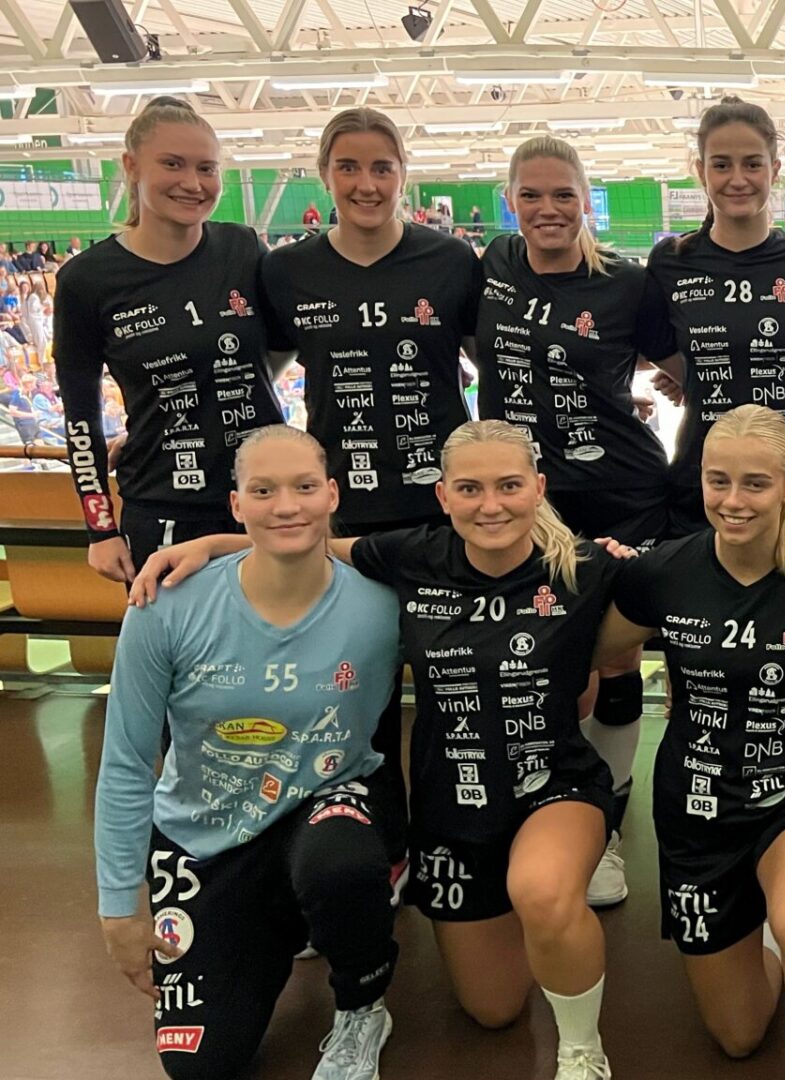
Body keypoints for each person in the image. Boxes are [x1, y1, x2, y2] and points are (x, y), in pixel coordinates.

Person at [134, 420, 626, 1080]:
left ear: (539, 488)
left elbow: (675, 602)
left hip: (552, 784)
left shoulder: (588, 568)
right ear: (443, 495)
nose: (491, 505)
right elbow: (307, 540)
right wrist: (209, 545)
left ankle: (581, 1047)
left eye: (509, 486)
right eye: (470, 489)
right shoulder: (410, 556)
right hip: (455, 805)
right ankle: (523, 912)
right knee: (494, 1009)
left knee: (539, 889)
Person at [101, 426, 405, 1080]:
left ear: (332, 495)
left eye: (304, 487)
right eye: (263, 491)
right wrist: (119, 905)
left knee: (339, 866)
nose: (286, 505)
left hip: (325, 806)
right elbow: (126, 762)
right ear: (236, 504)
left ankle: (361, 1003)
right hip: (205, 834)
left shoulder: (383, 603)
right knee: (200, 1066)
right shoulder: (165, 604)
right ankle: (277, 921)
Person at [593, 405, 785, 1079]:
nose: (733, 501)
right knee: (738, 1035)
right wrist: (589, 571)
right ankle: (768, 929)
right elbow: (588, 652)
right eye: (719, 481)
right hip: (696, 805)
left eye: (755, 483)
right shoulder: (662, 572)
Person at [473, 135, 677, 903]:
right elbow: (476, 349)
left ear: (587, 200)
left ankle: (607, 827)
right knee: (539, 659)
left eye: (563, 194)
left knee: (616, 659)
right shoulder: (492, 266)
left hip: (622, 492)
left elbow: (684, 367)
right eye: (531, 194)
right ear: (510, 202)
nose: (548, 208)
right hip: (526, 500)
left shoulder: (626, 282)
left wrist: (634, 399)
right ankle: (548, 812)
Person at [53, 95, 283, 581]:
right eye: (173, 164)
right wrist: (100, 528)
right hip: (164, 504)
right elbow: (80, 414)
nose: (193, 183)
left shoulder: (242, 247)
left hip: (265, 498)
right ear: (131, 166)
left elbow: (280, 345)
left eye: (207, 168)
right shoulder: (87, 280)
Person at [262, 108, 479, 535]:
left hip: (445, 501)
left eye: (382, 168)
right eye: (348, 168)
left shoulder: (451, 260)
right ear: (325, 175)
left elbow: (498, 368)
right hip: (339, 503)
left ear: (403, 175)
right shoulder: (287, 270)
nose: (367, 185)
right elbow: (255, 377)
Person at [640, 96, 785, 536]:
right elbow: (658, 345)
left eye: (752, 164)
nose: (737, 179)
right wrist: (703, 376)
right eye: (721, 165)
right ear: (701, 171)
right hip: (704, 482)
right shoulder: (671, 262)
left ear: (775, 169)